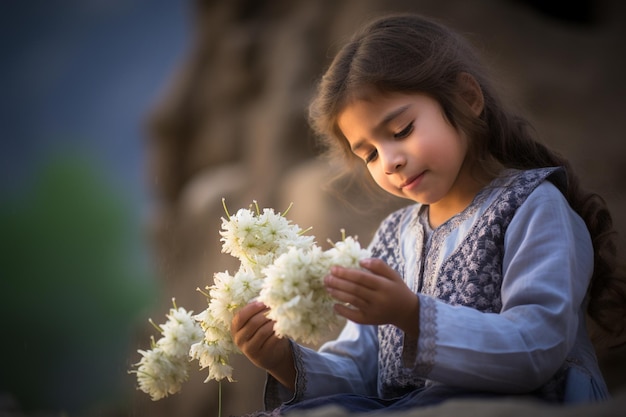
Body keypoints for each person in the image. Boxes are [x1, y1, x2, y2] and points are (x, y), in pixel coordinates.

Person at [230, 13, 626, 416]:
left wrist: (413, 316)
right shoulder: (391, 237)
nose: (390, 161)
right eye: (368, 154)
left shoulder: (532, 207)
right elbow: (362, 375)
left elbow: (535, 348)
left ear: (467, 98)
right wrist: (283, 360)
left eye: (401, 130)